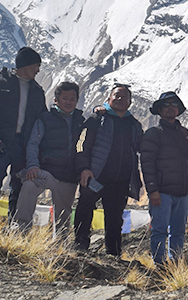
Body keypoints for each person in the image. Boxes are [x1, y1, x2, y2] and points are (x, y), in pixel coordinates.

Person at [0, 46, 47, 223]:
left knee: (19, 184)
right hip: (0, 142)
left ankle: (13, 226)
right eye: (36, 65)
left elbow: (43, 120)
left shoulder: (37, 92)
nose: (38, 70)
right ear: (25, 64)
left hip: (24, 145)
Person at [74, 83, 143, 256]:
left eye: (124, 97)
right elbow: (82, 145)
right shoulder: (96, 119)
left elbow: (140, 149)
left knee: (114, 218)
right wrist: (84, 168)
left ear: (130, 102)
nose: (120, 99)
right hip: (94, 175)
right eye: (116, 95)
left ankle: (113, 254)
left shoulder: (134, 125)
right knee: (84, 209)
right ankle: (80, 247)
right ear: (108, 99)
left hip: (120, 180)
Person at [14, 81, 85, 236]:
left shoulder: (80, 121)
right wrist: (32, 165)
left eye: (72, 99)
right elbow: (33, 143)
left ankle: (59, 248)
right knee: (29, 186)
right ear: (56, 100)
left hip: (69, 176)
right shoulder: (45, 119)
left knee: (63, 218)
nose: (68, 102)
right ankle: (21, 232)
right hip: (46, 172)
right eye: (64, 98)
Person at [140, 91, 188, 265]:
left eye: (174, 105)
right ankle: (159, 264)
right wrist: (152, 190)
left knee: (178, 231)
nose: (171, 108)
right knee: (159, 230)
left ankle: (176, 263)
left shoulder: (185, 134)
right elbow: (147, 163)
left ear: (178, 109)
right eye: (167, 105)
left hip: (182, 192)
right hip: (161, 192)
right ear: (160, 110)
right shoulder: (153, 134)